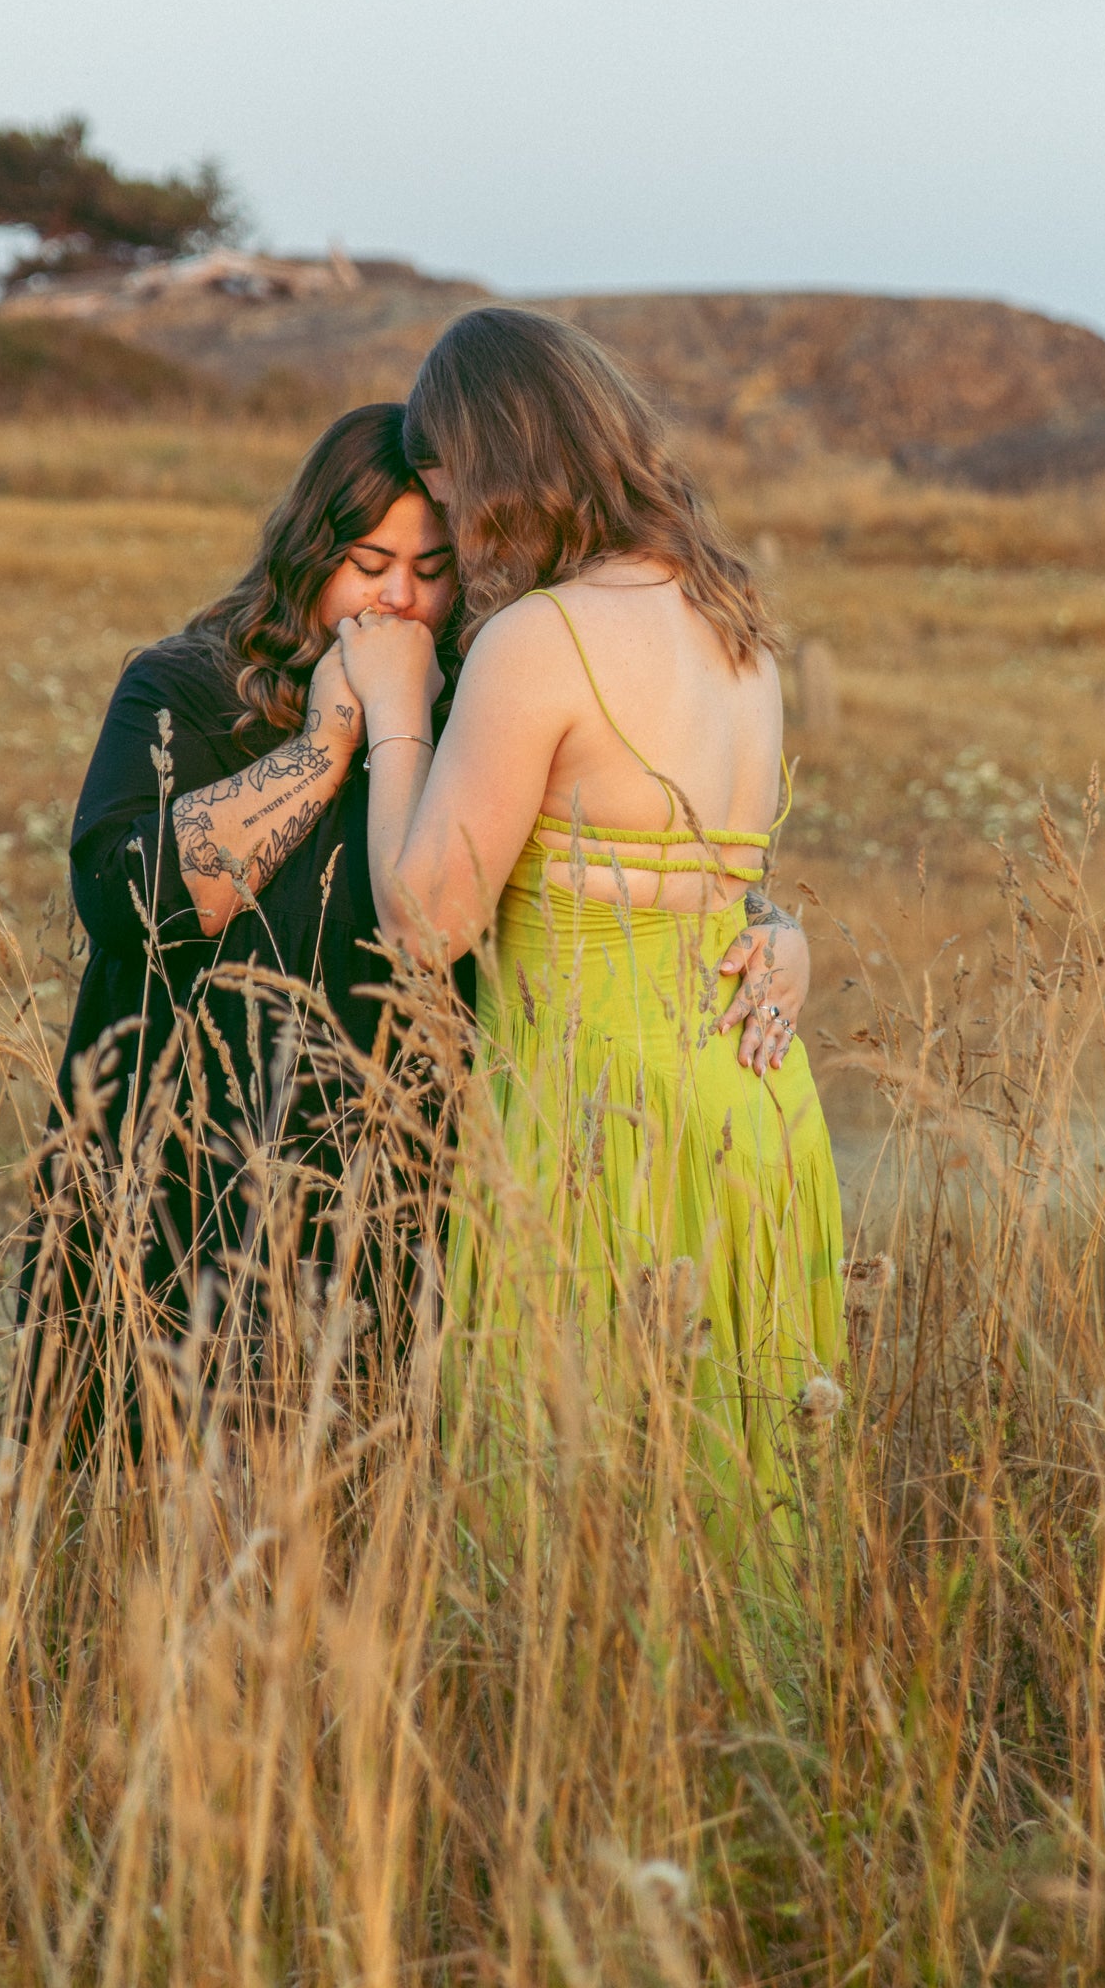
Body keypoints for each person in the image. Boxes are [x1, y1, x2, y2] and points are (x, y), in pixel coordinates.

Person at [14, 399, 811, 1451]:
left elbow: (589, 867)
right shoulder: (189, 685)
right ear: (308, 553)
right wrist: (327, 746)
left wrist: (767, 926)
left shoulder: (469, 693)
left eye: (434, 569)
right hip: (185, 1176)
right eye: (368, 560)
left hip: (401, 1197)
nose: (398, 597)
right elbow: (129, 905)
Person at [336, 312, 844, 1540]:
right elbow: (717, 886)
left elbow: (424, 923)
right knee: (741, 1502)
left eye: (446, 492)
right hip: (757, 1103)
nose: (445, 525)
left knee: (576, 1523)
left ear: (492, 464)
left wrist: (398, 711)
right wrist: (786, 930)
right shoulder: (736, 630)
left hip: (594, 1119)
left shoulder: (537, 642)